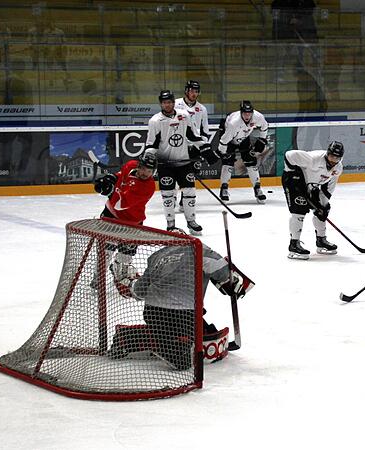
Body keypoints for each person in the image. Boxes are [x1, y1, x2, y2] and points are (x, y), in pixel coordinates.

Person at [114, 239, 251, 370]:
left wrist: (130, 285)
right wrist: (233, 278)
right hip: (185, 314)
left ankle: (129, 338)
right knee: (187, 346)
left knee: (175, 331)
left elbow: (140, 291)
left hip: (152, 313)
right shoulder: (199, 248)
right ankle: (173, 347)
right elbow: (224, 274)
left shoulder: (157, 255)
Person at [144, 90, 207, 234]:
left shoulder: (184, 116)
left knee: (190, 191)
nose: (167, 105)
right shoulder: (155, 121)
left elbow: (193, 136)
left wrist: (205, 148)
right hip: (165, 164)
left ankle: (191, 221)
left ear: (173, 102)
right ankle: (170, 225)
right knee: (167, 195)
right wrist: (148, 156)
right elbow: (151, 144)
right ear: (161, 104)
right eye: (164, 102)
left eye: (169, 102)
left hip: (184, 162)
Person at [282, 141, 344, 259]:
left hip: (311, 185)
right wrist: (295, 176)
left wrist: (323, 205)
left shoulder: (338, 168)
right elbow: (289, 155)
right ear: (327, 153)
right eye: (331, 156)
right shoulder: (313, 159)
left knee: (322, 210)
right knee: (299, 211)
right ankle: (294, 244)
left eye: (337, 158)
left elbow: (329, 186)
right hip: (293, 182)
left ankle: (321, 240)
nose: (333, 160)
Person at [175, 80, 217, 211]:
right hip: (178, 144)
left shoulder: (202, 109)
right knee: (175, 172)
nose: (194, 93)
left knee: (190, 174)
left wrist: (203, 148)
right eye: (192, 91)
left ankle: (184, 200)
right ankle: (172, 197)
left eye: (196, 91)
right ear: (186, 91)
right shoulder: (175, 104)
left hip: (194, 146)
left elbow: (205, 131)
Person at [217, 100, 270, 204]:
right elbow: (224, 140)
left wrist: (262, 140)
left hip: (244, 138)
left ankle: (257, 188)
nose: (247, 116)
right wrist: (221, 152)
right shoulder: (233, 123)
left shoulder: (258, 117)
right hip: (229, 137)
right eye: (245, 113)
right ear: (241, 112)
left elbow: (265, 126)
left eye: (249, 113)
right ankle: (224, 188)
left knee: (251, 161)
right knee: (228, 162)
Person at [94, 152, 157, 226]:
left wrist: (110, 191)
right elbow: (121, 175)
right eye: (143, 169)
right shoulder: (130, 165)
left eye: (149, 171)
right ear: (139, 166)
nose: (145, 174)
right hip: (110, 211)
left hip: (130, 221)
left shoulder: (147, 187)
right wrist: (111, 178)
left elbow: (120, 205)